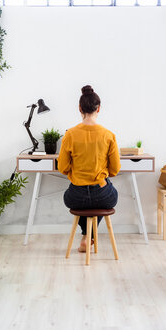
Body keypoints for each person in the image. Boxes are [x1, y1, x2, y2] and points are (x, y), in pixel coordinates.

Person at [57, 85, 120, 253]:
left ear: (79, 108)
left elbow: (62, 167)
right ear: (99, 108)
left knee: (71, 198)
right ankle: (89, 236)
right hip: (103, 195)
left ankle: (86, 235)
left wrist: (75, 173)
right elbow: (115, 170)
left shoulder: (69, 134)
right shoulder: (108, 135)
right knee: (109, 194)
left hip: (76, 196)